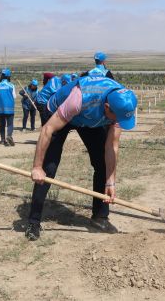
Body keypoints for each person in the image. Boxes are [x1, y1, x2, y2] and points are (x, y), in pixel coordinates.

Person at [25, 75, 138, 241]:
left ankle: (100, 217)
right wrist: (36, 167)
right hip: (61, 111)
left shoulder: (121, 103)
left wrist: (110, 181)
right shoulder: (79, 98)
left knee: (101, 163)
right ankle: (33, 221)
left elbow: (111, 146)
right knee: (48, 168)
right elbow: (47, 130)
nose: (119, 122)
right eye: (117, 119)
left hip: (88, 119)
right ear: (107, 107)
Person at [0, 68, 16, 146]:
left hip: (0, 108)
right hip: (9, 108)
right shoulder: (11, 85)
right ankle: (9, 136)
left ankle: (2, 140)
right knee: (10, 124)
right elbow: (14, 96)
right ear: (9, 76)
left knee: (2, 124)